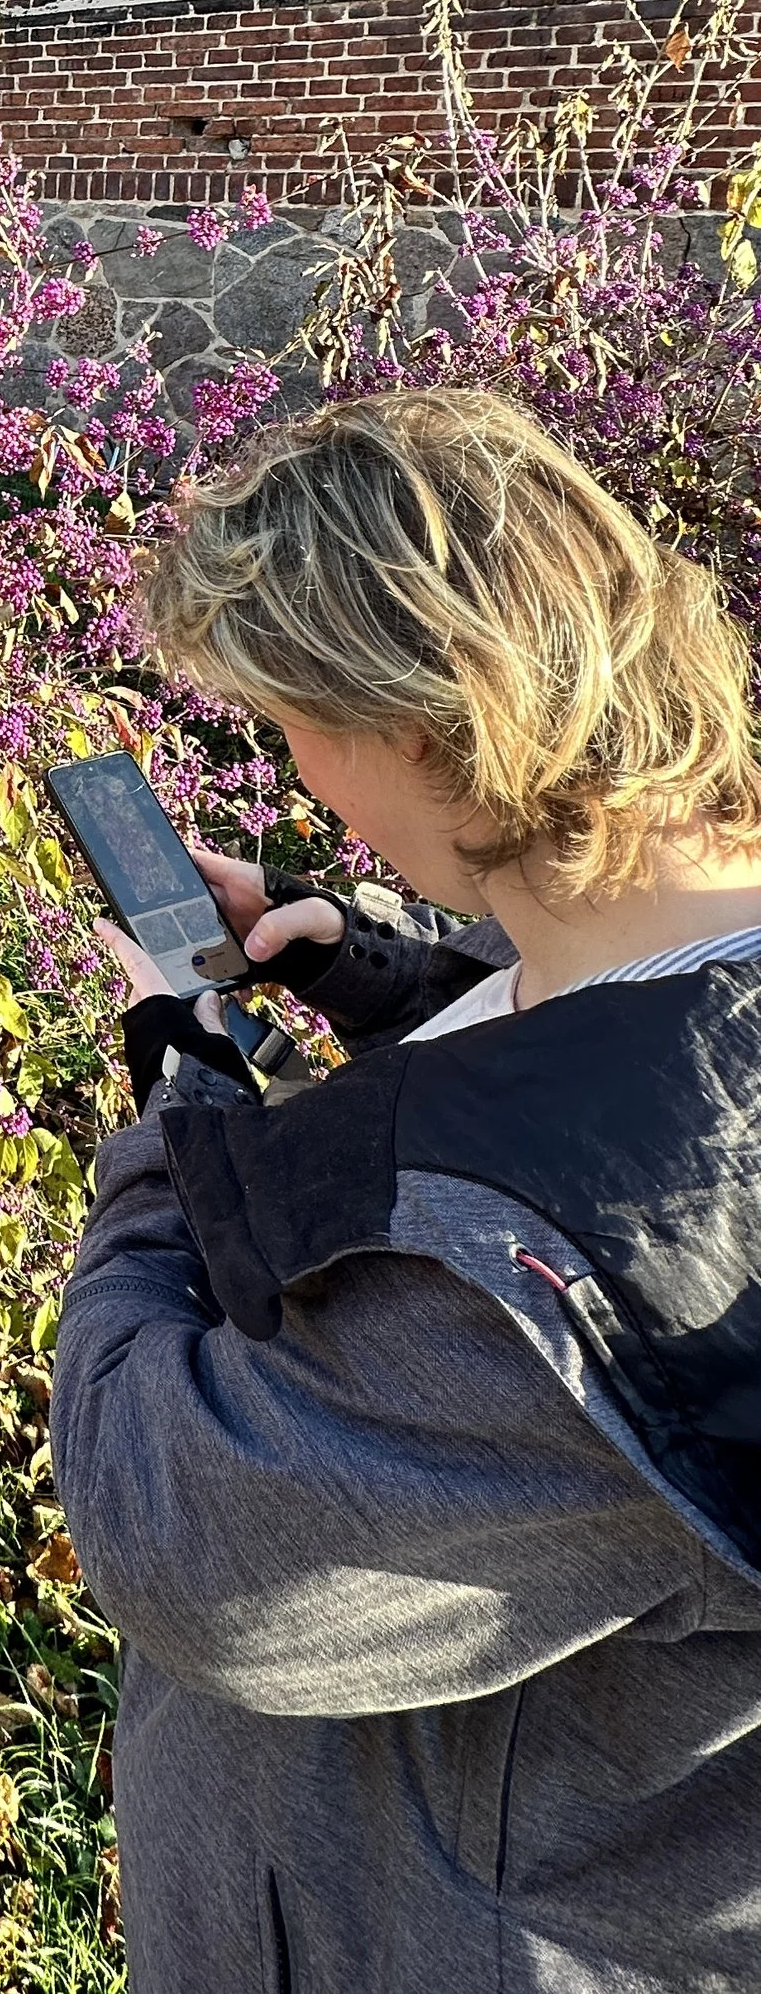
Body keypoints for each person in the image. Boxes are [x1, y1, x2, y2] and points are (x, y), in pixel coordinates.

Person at [49, 387, 761, 1994]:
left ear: (430, 730)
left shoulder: (612, 1255)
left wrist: (183, 1104)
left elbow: (184, 1532)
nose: (295, 774)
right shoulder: (688, 941)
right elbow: (605, 1054)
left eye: (296, 727)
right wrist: (387, 984)